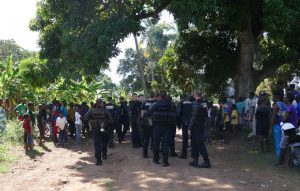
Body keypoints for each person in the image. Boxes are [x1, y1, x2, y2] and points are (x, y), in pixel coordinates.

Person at [144, 91, 177, 167]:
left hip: (157, 127)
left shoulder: (155, 104)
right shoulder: (171, 105)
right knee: (165, 144)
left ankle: (156, 159)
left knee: (156, 143)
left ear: (159, 97)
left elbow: (147, 113)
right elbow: (175, 115)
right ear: (165, 96)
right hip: (167, 127)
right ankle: (165, 161)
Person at [84, 99, 112, 166]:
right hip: (104, 129)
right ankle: (104, 155)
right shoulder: (106, 110)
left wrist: (92, 121)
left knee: (97, 145)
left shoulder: (91, 110)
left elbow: (85, 118)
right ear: (102, 103)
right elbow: (111, 119)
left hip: (95, 130)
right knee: (104, 143)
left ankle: (99, 161)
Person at [188, 90, 211, 168]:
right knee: (194, 143)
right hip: (201, 125)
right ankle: (195, 160)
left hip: (196, 126)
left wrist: (189, 128)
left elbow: (193, 117)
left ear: (195, 95)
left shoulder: (195, 103)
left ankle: (206, 161)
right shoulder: (204, 103)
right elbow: (205, 114)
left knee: (199, 144)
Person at [276, 92, 298, 166]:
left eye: (285, 97)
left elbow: (285, 118)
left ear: (287, 99)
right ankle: (289, 160)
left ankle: (280, 163)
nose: (283, 98)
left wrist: (280, 118)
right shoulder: (292, 106)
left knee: (282, 146)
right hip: (292, 128)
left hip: (288, 129)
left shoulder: (289, 107)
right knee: (288, 146)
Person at [271, 91, 286, 160]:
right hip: (283, 125)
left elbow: (273, 117)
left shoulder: (276, 105)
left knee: (277, 144)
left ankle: (279, 160)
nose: (272, 97)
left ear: (276, 96)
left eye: (273, 96)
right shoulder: (284, 105)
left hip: (277, 126)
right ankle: (282, 158)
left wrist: (271, 126)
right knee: (283, 144)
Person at [141, 92, 156, 158]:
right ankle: (154, 152)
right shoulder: (156, 102)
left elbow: (142, 112)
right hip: (154, 121)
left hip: (146, 122)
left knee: (146, 138)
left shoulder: (144, 102)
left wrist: (142, 120)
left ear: (149, 96)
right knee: (154, 138)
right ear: (154, 96)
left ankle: (145, 153)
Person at [178, 94, 193, 159]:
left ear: (182, 98)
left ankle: (184, 154)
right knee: (193, 138)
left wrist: (178, 124)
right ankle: (193, 153)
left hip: (184, 122)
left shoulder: (181, 103)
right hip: (192, 123)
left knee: (185, 139)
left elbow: (179, 113)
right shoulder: (193, 103)